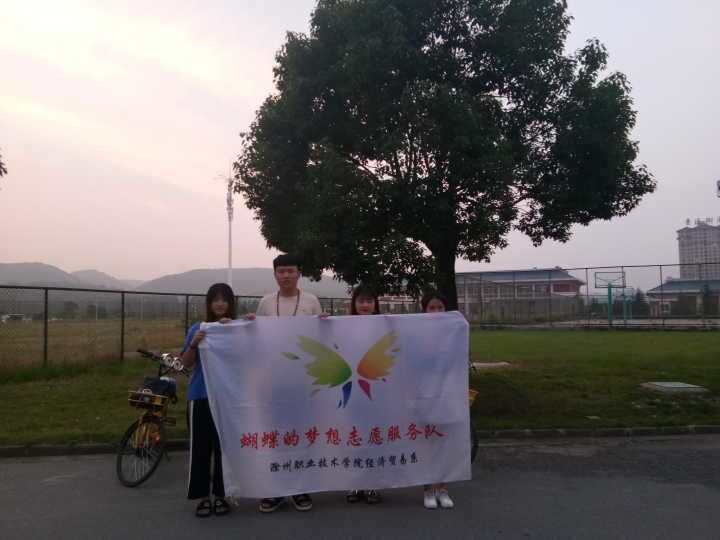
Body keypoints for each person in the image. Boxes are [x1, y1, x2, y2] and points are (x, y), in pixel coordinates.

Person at [252, 253, 322, 513]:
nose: (286, 276)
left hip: (304, 381)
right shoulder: (266, 303)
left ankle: (301, 488)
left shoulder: (311, 301)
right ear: (275, 275)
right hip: (273, 381)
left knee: (302, 434)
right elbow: (256, 337)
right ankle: (275, 489)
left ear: (299, 273)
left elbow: (321, 339)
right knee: (275, 435)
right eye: (281, 271)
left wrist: (327, 325)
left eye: (290, 270)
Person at [179, 283, 236, 518]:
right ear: (209, 303)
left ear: (231, 303)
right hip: (200, 396)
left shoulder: (236, 329)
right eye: (215, 299)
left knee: (225, 447)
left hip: (227, 397)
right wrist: (194, 343)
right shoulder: (198, 328)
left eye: (224, 299)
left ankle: (222, 494)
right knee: (200, 448)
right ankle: (202, 496)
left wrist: (243, 327)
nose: (220, 304)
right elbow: (185, 363)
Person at [345, 283, 382, 504]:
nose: (365, 305)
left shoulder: (384, 325)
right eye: (361, 301)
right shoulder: (342, 326)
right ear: (354, 304)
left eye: (369, 301)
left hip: (377, 391)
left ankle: (373, 484)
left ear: (375, 304)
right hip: (351, 390)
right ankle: (354, 483)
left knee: (374, 436)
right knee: (353, 436)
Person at [419, 291, 455, 509]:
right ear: (424, 310)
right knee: (426, 442)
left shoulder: (454, 332)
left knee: (445, 442)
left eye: (440, 307)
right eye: (431, 307)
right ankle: (428, 489)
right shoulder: (416, 333)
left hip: (447, 393)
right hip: (424, 394)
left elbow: (463, 359)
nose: (436, 311)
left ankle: (443, 488)